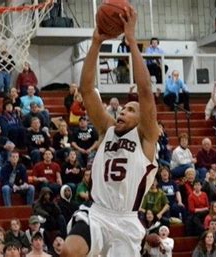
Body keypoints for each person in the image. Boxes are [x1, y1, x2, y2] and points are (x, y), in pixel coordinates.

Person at [61, 7, 160, 257]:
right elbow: (86, 89)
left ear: (142, 119)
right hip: (97, 213)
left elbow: (145, 90)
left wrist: (132, 41)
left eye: (130, 109)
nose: (123, 112)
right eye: (122, 109)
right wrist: (95, 43)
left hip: (126, 221)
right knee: (70, 250)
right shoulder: (107, 129)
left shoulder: (147, 137)